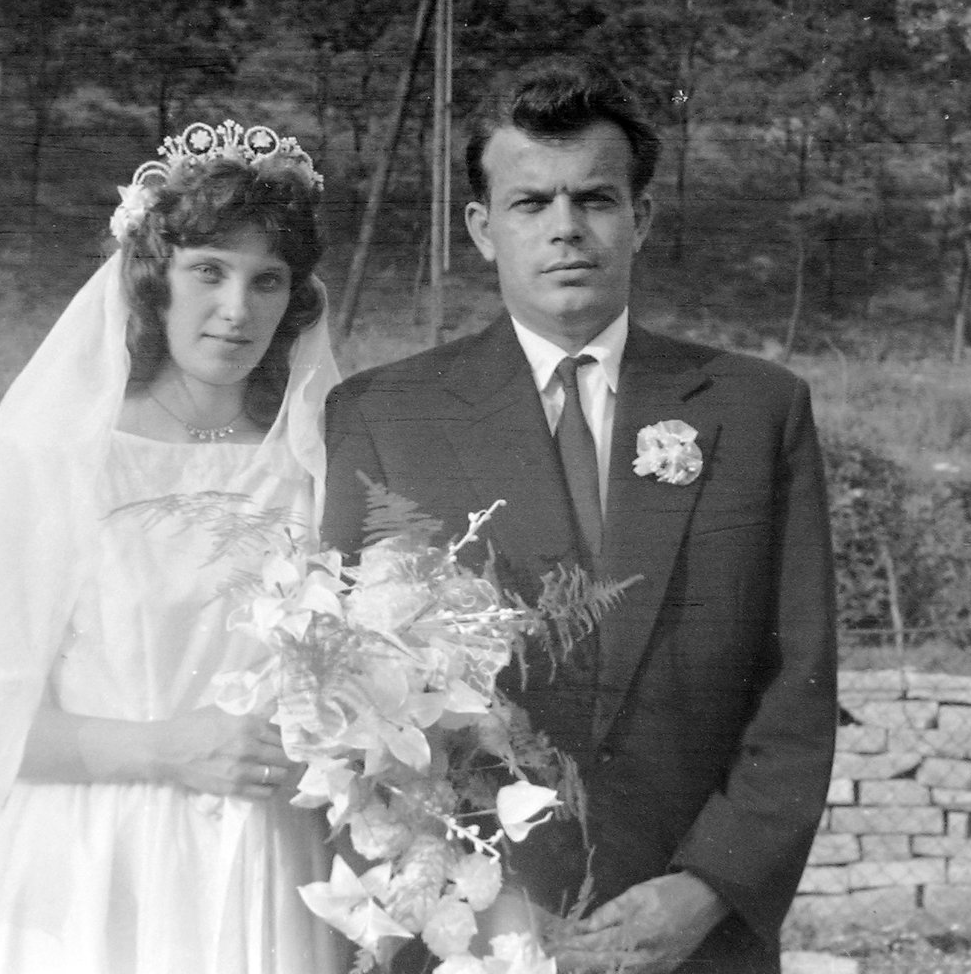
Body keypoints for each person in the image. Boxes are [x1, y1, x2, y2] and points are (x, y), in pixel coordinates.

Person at [321, 60, 837, 974]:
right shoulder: (385, 414)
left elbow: (797, 685)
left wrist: (708, 888)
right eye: (531, 204)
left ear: (642, 218)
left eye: (595, 199)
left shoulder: (756, 410)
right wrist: (476, 912)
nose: (566, 228)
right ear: (483, 228)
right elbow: (352, 699)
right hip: (470, 925)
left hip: (689, 935)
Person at [0, 121, 347, 974]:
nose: (236, 310)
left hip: (270, 861)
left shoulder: (314, 458)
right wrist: (169, 748)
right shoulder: (59, 455)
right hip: (92, 864)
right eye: (208, 272)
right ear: (153, 283)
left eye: (266, 281)